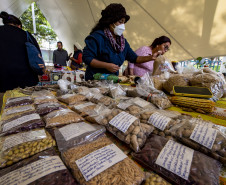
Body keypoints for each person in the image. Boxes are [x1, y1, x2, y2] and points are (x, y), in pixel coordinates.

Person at [82, 3, 162, 81]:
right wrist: (106, 66)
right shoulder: (97, 37)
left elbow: (135, 58)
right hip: (94, 81)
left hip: (112, 81)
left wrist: (151, 57)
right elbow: (87, 58)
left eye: (124, 22)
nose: (122, 25)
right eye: (120, 22)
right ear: (110, 22)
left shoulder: (122, 42)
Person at [0, 11, 43, 92]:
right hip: (25, 80)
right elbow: (37, 55)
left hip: (2, 80)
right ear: (19, 25)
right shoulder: (25, 34)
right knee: (24, 104)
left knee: (4, 103)